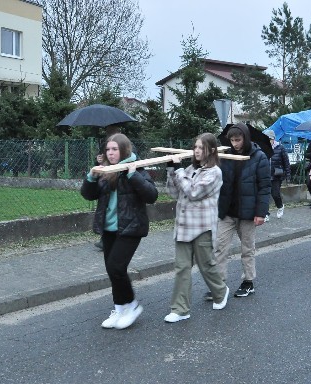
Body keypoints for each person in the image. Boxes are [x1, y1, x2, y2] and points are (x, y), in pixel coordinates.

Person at [80, 133, 158, 329]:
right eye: (108, 149)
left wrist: (132, 175)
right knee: (112, 271)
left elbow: (152, 195)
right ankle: (119, 308)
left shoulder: (137, 168)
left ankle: (131, 305)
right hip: (109, 228)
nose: (111, 153)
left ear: (123, 150)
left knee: (116, 267)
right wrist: (91, 176)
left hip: (131, 227)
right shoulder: (106, 171)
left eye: (115, 149)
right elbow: (88, 195)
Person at [164, 133, 229, 323]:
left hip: (202, 226)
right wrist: (171, 171)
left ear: (212, 150)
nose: (197, 151)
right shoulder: (190, 169)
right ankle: (180, 309)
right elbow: (174, 192)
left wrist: (178, 171)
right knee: (181, 268)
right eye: (195, 147)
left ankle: (220, 291)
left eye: (201, 147)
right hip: (183, 226)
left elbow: (194, 192)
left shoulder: (215, 172)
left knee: (206, 265)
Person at [212, 123, 270, 298]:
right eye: (232, 140)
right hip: (227, 211)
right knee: (220, 247)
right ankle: (219, 285)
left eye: (238, 140)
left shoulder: (259, 157)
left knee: (247, 248)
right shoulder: (225, 156)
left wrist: (261, 213)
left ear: (245, 138)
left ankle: (248, 281)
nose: (235, 144)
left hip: (248, 212)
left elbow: (265, 187)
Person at [265, 129, 291, 218]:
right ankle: (265, 214)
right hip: (265, 176)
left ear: (273, 139)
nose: (268, 141)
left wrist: (288, 175)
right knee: (265, 195)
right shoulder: (262, 148)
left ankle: (280, 206)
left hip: (276, 175)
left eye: (269, 139)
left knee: (275, 194)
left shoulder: (280, 148)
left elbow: (286, 163)